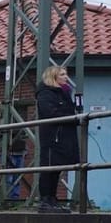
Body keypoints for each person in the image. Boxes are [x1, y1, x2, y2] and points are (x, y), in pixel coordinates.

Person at [34, 64, 80, 212]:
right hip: (53, 137)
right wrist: (72, 117)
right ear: (53, 77)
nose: (66, 77)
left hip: (64, 136)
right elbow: (50, 113)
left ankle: (52, 199)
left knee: (57, 168)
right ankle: (45, 200)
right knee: (48, 168)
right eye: (62, 75)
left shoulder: (64, 93)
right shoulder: (45, 93)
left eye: (65, 74)